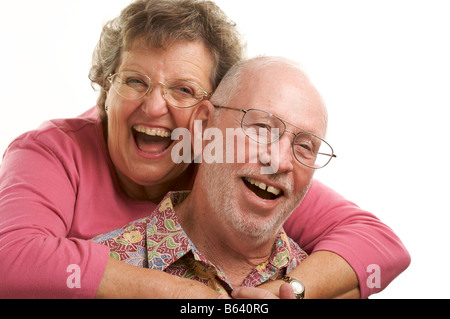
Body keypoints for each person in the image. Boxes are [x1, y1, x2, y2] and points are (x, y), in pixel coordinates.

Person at [0, 0, 409, 299]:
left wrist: (294, 290)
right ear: (106, 89)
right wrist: (181, 296)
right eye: (135, 81)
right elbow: (9, 262)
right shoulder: (52, 151)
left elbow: (379, 244)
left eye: (183, 89)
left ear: (206, 115)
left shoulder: (227, 154)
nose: (154, 107)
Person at [92, 56, 335, 298]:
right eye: (261, 128)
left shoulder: (330, 290)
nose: (280, 162)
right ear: (204, 126)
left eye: (305, 146)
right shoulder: (94, 278)